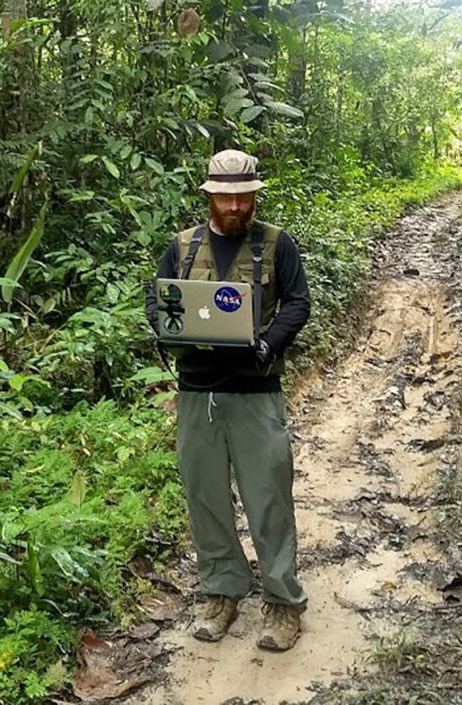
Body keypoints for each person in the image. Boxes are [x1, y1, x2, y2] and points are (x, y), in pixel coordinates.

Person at [145, 149, 310, 651]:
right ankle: (221, 592)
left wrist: (270, 343)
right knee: (206, 497)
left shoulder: (277, 244)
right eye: (225, 197)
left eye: (243, 197)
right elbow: (157, 299)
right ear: (210, 196)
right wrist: (168, 330)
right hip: (198, 392)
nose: (235, 206)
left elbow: (298, 302)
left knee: (268, 496)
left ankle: (282, 601)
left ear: (254, 195)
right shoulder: (183, 246)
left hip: (255, 391)